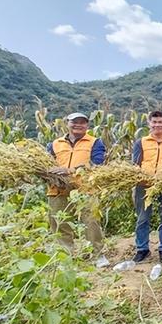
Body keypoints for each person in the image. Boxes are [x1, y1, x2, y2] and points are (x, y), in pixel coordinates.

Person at [46, 112, 109, 267]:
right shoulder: (54, 144)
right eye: (74, 122)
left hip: (85, 189)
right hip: (58, 189)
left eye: (82, 122)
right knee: (60, 222)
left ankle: (98, 255)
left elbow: (97, 164)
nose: (78, 125)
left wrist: (71, 170)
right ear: (67, 123)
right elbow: (46, 164)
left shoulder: (95, 142)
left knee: (91, 221)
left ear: (87, 126)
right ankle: (65, 257)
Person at [131, 111, 162, 264]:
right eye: (154, 122)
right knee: (142, 218)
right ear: (149, 124)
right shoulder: (141, 142)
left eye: (160, 122)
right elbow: (135, 165)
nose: (157, 125)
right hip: (144, 185)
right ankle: (142, 249)